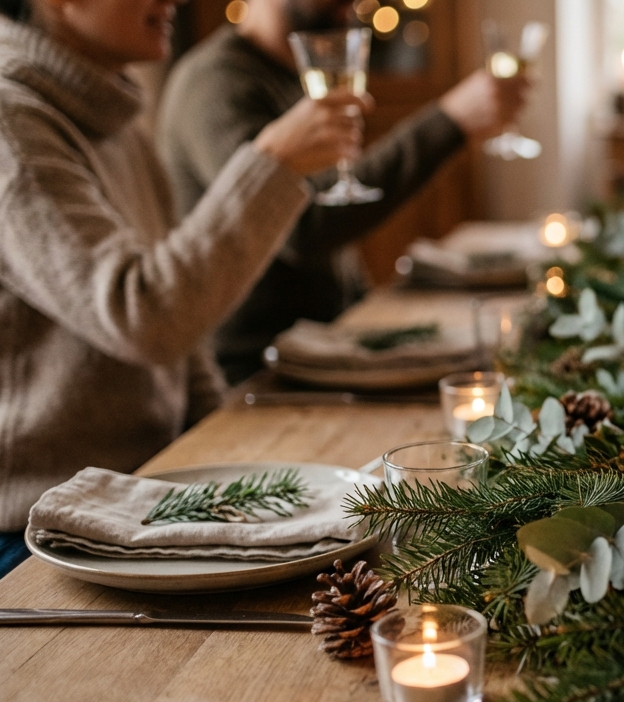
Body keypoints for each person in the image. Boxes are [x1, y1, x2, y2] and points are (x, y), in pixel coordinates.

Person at [0, 0, 366, 576]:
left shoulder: (117, 122)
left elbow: (186, 344)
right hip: (42, 531)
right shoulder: (11, 126)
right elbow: (143, 317)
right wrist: (274, 161)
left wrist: (223, 450)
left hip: (158, 492)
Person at [159, 0, 528, 383]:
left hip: (333, 346)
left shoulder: (294, 73)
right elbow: (304, 228)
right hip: (261, 370)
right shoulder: (215, 83)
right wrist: (451, 121)